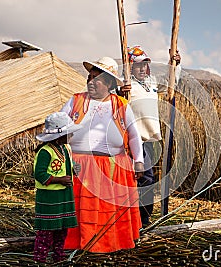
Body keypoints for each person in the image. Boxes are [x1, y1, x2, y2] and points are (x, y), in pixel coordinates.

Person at [60, 56, 144, 253]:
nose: (90, 81)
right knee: (79, 209)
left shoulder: (120, 105)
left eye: (95, 78)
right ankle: (75, 243)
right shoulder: (76, 100)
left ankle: (107, 243)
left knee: (107, 210)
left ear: (108, 83)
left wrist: (138, 161)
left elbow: (133, 134)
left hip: (111, 165)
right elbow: (59, 124)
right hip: (79, 165)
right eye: (89, 77)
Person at [118, 45, 181, 228]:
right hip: (133, 141)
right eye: (137, 65)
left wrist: (175, 65)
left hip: (150, 140)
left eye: (145, 65)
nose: (142, 69)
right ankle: (135, 221)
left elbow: (170, 84)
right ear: (129, 67)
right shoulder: (126, 85)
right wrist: (122, 90)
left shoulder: (151, 83)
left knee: (147, 181)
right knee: (143, 179)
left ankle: (142, 220)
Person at [33, 112, 82, 263]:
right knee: (46, 231)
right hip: (50, 198)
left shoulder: (66, 148)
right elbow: (39, 173)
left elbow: (67, 165)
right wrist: (58, 179)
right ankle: (40, 259)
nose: (72, 134)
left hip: (64, 196)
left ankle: (58, 256)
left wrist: (74, 168)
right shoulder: (45, 152)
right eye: (69, 133)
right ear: (59, 136)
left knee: (62, 230)